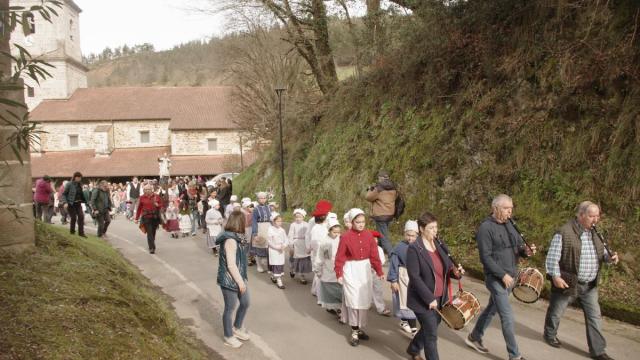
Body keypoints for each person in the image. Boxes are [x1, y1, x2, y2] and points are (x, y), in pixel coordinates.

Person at [543, 201, 619, 360]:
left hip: (590, 286)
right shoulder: (564, 232)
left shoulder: (596, 233)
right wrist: (555, 276)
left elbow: (603, 253)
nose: (595, 219)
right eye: (592, 216)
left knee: (595, 317)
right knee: (556, 312)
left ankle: (598, 351)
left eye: (597, 216)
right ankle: (550, 335)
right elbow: (552, 258)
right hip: (569, 282)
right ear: (581, 215)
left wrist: (609, 258)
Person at [466, 194, 535, 360]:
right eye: (506, 209)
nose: (509, 212)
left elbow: (518, 248)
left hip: (511, 276)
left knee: (491, 309)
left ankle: (474, 336)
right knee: (507, 317)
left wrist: (526, 251)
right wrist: (502, 275)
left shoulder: (511, 225)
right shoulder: (485, 228)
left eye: (511, 208)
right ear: (495, 209)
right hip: (496, 278)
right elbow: (486, 257)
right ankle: (515, 355)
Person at [406, 212, 464, 360]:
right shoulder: (414, 248)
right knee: (431, 335)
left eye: (436, 227)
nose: (435, 231)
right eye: (431, 228)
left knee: (428, 328)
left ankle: (413, 348)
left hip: (441, 297)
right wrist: (429, 298)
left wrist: (456, 272)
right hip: (422, 299)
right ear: (421, 228)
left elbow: (447, 268)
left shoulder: (439, 244)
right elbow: (415, 277)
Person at [335, 208, 384, 347]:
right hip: (350, 270)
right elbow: (340, 257)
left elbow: (374, 255)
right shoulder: (345, 237)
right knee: (353, 299)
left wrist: (379, 271)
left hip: (364, 269)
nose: (361, 224)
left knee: (362, 301)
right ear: (352, 222)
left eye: (363, 222)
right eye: (358, 222)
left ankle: (359, 327)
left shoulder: (369, 235)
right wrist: (339, 273)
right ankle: (354, 331)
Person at [216, 210, 251, 349]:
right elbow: (231, 265)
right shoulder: (230, 240)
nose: (247, 222)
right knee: (230, 308)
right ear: (240, 222)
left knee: (245, 302)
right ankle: (228, 335)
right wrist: (240, 282)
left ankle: (237, 327)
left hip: (239, 276)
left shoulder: (239, 237)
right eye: (245, 220)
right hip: (229, 279)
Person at [388, 220, 420, 335]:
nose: (410, 238)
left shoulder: (420, 247)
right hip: (402, 278)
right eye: (408, 235)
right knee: (405, 302)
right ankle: (413, 329)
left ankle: (404, 321)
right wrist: (393, 280)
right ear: (404, 234)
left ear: (417, 235)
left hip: (415, 278)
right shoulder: (399, 247)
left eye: (413, 236)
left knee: (414, 302)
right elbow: (393, 264)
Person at [314, 217, 343, 317]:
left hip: (340, 268)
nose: (337, 234)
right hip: (328, 268)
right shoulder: (324, 242)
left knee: (340, 290)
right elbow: (319, 257)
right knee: (331, 290)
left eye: (338, 232)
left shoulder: (341, 239)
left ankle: (340, 308)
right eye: (334, 232)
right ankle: (336, 308)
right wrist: (318, 269)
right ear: (329, 230)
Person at [364, 170, 397, 255]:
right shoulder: (393, 187)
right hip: (390, 214)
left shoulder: (379, 188)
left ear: (380, 178)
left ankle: (392, 256)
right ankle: (379, 253)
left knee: (383, 237)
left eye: (379, 178)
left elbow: (368, 197)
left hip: (381, 215)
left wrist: (370, 190)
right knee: (381, 235)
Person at [309, 200, 333, 299]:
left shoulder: (321, 227)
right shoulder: (317, 229)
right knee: (319, 274)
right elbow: (317, 243)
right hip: (319, 254)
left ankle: (315, 290)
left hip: (320, 253)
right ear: (324, 217)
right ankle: (319, 294)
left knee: (318, 273)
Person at [135, 184, 164, 254]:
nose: (147, 191)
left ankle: (151, 243)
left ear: (151, 189)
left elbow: (161, 205)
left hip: (155, 217)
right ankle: (152, 247)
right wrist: (136, 218)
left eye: (149, 189)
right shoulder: (142, 198)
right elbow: (139, 209)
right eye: (146, 189)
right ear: (144, 190)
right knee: (149, 233)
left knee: (153, 232)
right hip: (146, 217)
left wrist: (158, 205)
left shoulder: (156, 196)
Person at [370, 231, 391, 316]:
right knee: (365, 289)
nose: (374, 240)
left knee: (378, 289)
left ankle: (381, 308)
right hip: (365, 272)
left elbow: (382, 260)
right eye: (372, 238)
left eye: (376, 239)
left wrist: (376, 267)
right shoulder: (364, 248)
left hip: (376, 272)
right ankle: (366, 303)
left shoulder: (379, 249)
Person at [288, 208, 311, 284]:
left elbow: (308, 235)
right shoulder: (293, 225)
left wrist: (309, 246)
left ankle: (302, 275)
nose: (298, 218)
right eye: (296, 217)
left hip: (304, 244)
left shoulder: (306, 225)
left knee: (303, 261)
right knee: (294, 259)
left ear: (303, 217)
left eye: (299, 217)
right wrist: (291, 246)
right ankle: (292, 269)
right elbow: (290, 235)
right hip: (296, 244)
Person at [251, 192, 272, 273]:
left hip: (268, 227)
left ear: (266, 199)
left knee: (268, 247)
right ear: (258, 199)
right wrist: (255, 233)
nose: (262, 200)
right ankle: (259, 265)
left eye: (264, 198)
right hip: (260, 227)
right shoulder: (256, 209)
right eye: (260, 198)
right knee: (260, 246)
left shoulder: (269, 207)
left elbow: (272, 218)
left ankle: (268, 266)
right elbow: (254, 221)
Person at [61, 171, 87, 238]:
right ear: (75, 177)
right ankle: (72, 231)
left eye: (80, 178)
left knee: (81, 216)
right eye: (78, 177)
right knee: (74, 217)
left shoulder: (79, 185)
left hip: (78, 203)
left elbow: (81, 194)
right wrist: (65, 202)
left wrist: (85, 200)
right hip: (71, 203)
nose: (80, 179)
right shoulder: (69, 184)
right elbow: (64, 194)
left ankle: (81, 233)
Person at [267, 212, 288, 289]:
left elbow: (286, 239)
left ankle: (273, 276)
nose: (280, 223)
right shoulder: (270, 229)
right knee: (275, 264)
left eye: (280, 221)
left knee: (279, 264)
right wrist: (276, 248)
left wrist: (284, 245)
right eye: (278, 221)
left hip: (281, 249)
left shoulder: (282, 230)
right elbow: (269, 241)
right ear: (273, 221)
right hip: (274, 250)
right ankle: (279, 281)